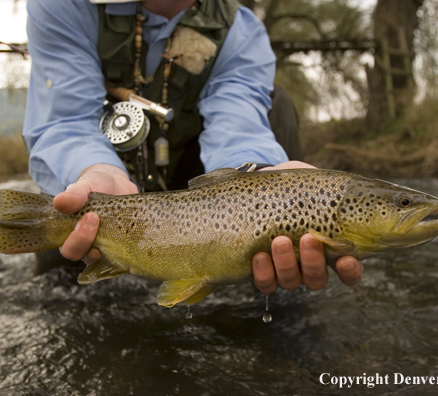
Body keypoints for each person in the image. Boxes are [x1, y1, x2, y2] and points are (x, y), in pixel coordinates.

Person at [23, 0, 364, 297]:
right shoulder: (64, 4)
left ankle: (266, 280)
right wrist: (96, 171)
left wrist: (263, 180)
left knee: (279, 104)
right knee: (60, 289)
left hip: (204, 198)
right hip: (98, 186)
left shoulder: (239, 30)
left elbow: (237, 123)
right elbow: (65, 118)